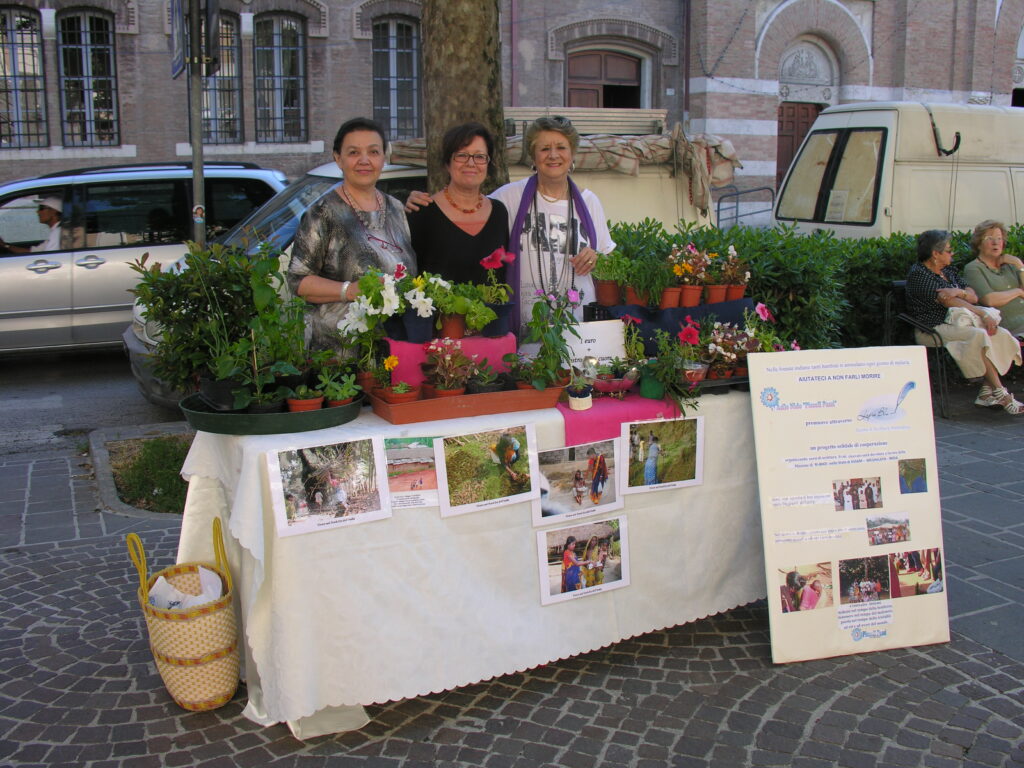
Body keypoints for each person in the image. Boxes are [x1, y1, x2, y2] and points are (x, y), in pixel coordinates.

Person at [408, 115, 615, 336]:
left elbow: (608, 262)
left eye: (561, 147)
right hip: (526, 327)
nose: (553, 155)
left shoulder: (589, 202)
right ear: (533, 157)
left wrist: (596, 258)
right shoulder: (508, 198)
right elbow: (466, 209)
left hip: (579, 325)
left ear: (572, 154)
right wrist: (415, 203)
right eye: (544, 148)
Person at [287, 117, 416, 352]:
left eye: (373, 152)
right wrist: (349, 290)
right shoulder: (323, 212)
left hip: (392, 348)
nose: (364, 160)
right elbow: (298, 281)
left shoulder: (396, 209)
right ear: (338, 158)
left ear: (383, 158)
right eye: (354, 152)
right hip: (339, 352)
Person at [905, 229, 1022, 414]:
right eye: (949, 251)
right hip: (933, 329)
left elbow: (973, 296)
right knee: (979, 335)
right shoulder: (919, 274)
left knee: (1000, 334)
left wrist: (960, 292)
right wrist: (981, 313)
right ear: (936, 254)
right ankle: (1001, 394)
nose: (953, 254)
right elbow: (949, 300)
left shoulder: (948, 271)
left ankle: (985, 392)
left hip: (962, 323)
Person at [407, 122, 509, 284]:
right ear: (448, 163)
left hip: (491, 309)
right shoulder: (423, 211)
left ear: (488, 164)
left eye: (479, 156)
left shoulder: (499, 212)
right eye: (461, 155)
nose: (471, 163)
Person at [963, 220, 1024, 338]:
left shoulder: (1011, 265)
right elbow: (989, 300)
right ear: (979, 244)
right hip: (1010, 326)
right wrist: (1018, 291)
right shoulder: (973, 268)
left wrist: (1019, 265)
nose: (996, 242)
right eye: (989, 238)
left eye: (999, 238)